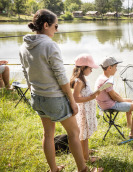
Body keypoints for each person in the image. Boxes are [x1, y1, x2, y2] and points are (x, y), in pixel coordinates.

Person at [19, 9, 100, 172]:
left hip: (37, 97)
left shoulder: (24, 46)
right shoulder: (50, 45)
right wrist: (72, 100)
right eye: (56, 26)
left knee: (48, 134)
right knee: (74, 132)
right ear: (46, 25)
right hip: (54, 99)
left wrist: (33, 90)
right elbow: (62, 79)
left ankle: (54, 169)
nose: (57, 30)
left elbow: (25, 72)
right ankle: (83, 169)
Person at [95, 56, 133, 140]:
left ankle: (130, 124)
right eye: (115, 67)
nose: (116, 69)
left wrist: (125, 101)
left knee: (129, 100)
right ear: (109, 68)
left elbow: (113, 93)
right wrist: (123, 101)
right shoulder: (106, 81)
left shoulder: (101, 77)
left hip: (103, 103)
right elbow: (114, 97)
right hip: (109, 105)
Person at [70, 54, 101, 163]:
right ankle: (86, 157)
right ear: (83, 68)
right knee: (84, 135)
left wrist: (95, 93)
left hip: (87, 111)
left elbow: (84, 94)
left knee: (84, 134)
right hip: (83, 113)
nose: (92, 70)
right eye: (90, 68)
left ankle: (85, 150)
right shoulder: (79, 81)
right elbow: (75, 98)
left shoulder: (83, 80)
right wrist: (91, 97)